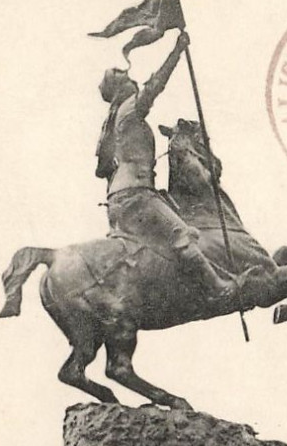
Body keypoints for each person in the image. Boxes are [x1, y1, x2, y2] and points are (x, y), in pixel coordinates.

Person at [95, 31, 244, 303]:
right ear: (119, 88)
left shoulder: (115, 122)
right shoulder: (129, 109)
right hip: (136, 197)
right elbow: (155, 86)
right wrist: (176, 51)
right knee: (183, 234)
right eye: (125, 77)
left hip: (122, 200)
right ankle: (219, 288)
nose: (133, 79)